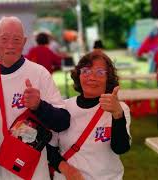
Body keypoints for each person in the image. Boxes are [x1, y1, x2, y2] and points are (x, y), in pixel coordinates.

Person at [0, 16, 70, 180]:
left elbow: (63, 121)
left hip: (33, 173)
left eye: (16, 39)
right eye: (4, 39)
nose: (10, 45)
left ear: (25, 41)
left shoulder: (39, 73)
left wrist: (39, 106)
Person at [47, 50, 131, 180]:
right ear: (78, 75)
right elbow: (50, 150)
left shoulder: (120, 109)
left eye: (99, 72)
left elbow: (120, 148)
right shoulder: (63, 107)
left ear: (108, 78)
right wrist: (69, 171)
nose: (92, 77)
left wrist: (117, 115)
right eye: (86, 71)